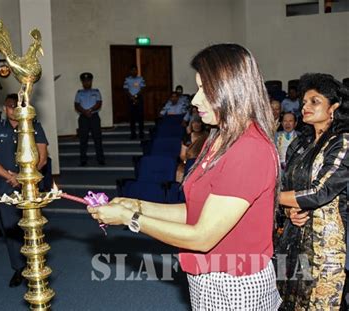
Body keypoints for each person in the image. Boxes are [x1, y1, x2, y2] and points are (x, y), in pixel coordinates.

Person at [88, 44, 281, 309]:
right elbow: (196, 210)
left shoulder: (249, 148)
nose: (194, 100)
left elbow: (202, 236)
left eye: (205, 90)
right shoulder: (219, 138)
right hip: (207, 277)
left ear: (232, 90)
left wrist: (130, 219)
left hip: (235, 283)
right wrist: (136, 204)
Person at [275, 73, 349, 310]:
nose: (305, 106)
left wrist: (268, 196)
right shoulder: (299, 145)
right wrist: (288, 212)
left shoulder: (343, 142)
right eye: (304, 102)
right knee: (291, 301)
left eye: (315, 101)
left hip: (328, 245)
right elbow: (287, 187)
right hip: (294, 239)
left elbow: (320, 191)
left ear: (333, 108)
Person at [0, 93, 48, 287]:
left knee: (33, 227)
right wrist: (10, 177)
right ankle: (19, 269)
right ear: (5, 108)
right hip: (5, 187)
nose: (15, 110)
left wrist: (23, 178)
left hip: (31, 188)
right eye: (11, 106)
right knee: (11, 230)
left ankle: (36, 264)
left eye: (19, 106)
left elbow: (42, 158)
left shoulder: (35, 127)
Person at [74, 72, 105, 166]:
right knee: (83, 139)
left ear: (91, 81)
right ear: (82, 82)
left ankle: (100, 159)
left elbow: (99, 103)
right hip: (83, 118)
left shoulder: (96, 92)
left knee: (97, 138)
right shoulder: (79, 93)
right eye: (85, 81)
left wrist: (90, 110)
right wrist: (85, 112)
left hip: (94, 117)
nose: (86, 83)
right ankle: (83, 160)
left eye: (88, 81)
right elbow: (76, 105)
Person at [176, 117, 208, 182]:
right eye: (194, 123)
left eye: (198, 122)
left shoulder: (207, 136)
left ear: (202, 124)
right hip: (189, 162)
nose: (196, 125)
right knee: (181, 169)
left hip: (203, 161)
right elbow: (182, 155)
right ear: (191, 124)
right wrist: (186, 161)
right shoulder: (187, 137)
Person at [123, 65, 146, 139]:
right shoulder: (127, 79)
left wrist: (136, 96)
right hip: (130, 99)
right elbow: (126, 89)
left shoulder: (141, 79)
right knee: (132, 118)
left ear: (137, 71)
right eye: (132, 70)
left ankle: (141, 133)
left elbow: (142, 88)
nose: (134, 72)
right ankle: (133, 134)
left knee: (140, 117)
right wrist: (132, 97)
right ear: (130, 71)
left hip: (139, 98)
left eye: (135, 70)